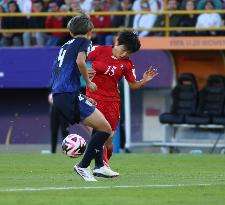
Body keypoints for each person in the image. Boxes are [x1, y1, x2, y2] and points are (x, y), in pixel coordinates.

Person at [50, 14, 119, 182]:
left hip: (62, 95)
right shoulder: (85, 42)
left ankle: (100, 166)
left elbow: (60, 72)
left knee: (100, 124)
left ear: (71, 31)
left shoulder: (66, 45)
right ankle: (83, 166)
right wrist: (88, 82)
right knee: (106, 129)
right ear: (91, 31)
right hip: (68, 95)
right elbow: (81, 62)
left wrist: (81, 95)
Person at [86, 31, 158, 167]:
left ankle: (103, 162)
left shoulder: (128, 64)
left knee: (108, 140)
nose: (124, 54)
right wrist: (83, 72)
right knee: (98, 134)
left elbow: (133, 85)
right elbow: (78, 60)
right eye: (124, 50)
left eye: (129, 53)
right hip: (93, 98)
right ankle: (102, 166)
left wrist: (144, 80)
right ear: (117, 42)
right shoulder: (98, 50)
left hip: (112, 102)